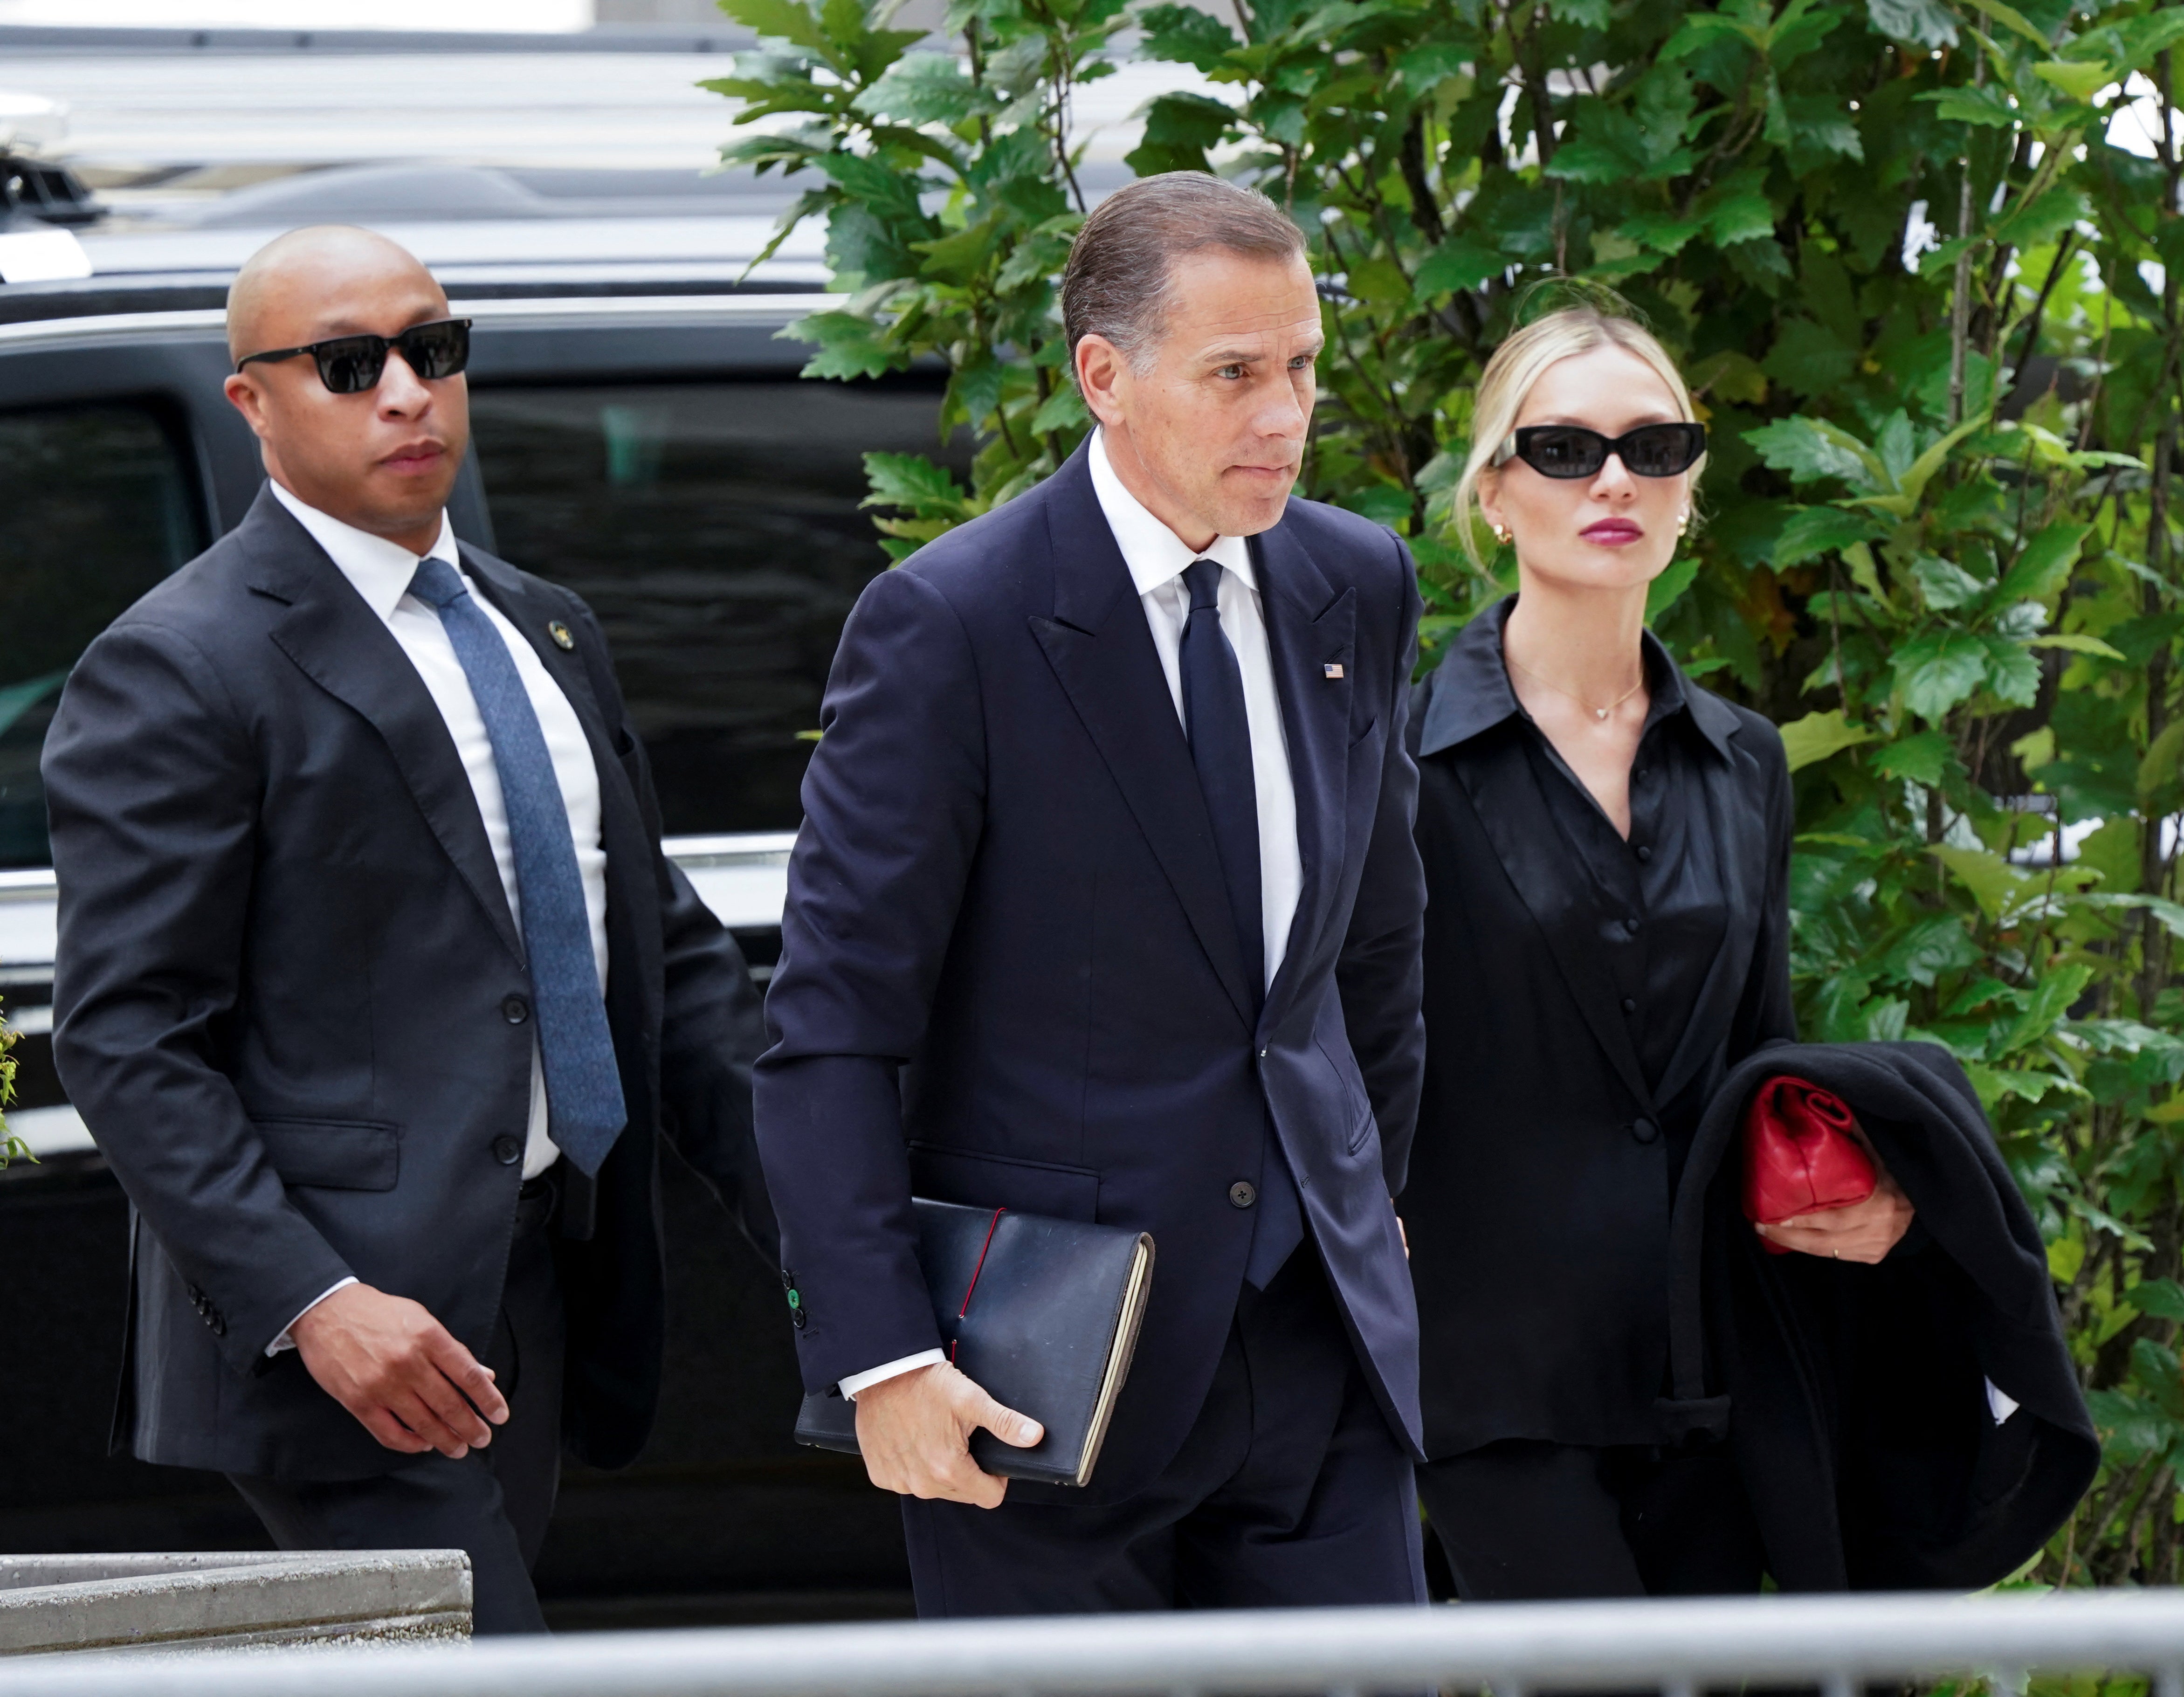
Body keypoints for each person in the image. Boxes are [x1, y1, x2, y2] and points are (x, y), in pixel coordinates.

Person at [43, 226, 777, 1635]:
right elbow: (128, 1036)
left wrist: (835, 1239)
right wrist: (316, 1300)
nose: (404, 391)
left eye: (433, 350)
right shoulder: (180, 664)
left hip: (535, 1287)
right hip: (345, 1334)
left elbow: (667, 966)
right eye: (346, 363)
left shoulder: (542, 625)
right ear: (250, 401)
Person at [753, 171, 1428, 1617]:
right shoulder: (953, 623)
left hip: (1317, 1355)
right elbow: (831, 1029)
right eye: (1235, 373)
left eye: (1304, 366)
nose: (1284, 414)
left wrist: (1375, 1205)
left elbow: (1373, 952)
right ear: (1103, 378)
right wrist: (883, 1359)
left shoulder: (1355, 584)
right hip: (1043, 1377)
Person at [1396, 304, 1917, 1599]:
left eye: (1654, 445)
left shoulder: (1744, 760)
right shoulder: (1393, 766)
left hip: (1714, 1365)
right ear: (1496, 491)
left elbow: (1762, 1053)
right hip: (1488, 1378)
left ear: (1691, 491)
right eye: (1564, 448)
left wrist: (1858, 1181)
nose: (1615, 477)